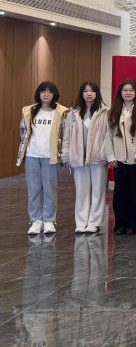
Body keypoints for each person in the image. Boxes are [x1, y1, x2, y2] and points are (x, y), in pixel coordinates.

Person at [18, 81, 68, 235]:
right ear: (38, 94)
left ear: (54, 94)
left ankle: (49, 220)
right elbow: (23, 132)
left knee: (50, 189)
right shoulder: (29, 111)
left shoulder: (62, 112)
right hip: (32, 155)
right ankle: (35, 220)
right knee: (33, 190)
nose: (46, 94)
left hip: (50, 157)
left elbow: (65, 134)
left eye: (49, 92)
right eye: (43, 91)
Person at [61, 81, 110, 235]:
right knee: (81, 192)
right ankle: (81, 222)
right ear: (81, 94)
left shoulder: (105, 112)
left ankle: (94, 222)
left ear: (97, 93)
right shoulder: (73, 113)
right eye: (85, 91)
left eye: (92, 91)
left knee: (98, 191)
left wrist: (106, 155)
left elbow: (109, 136)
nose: (89, 94)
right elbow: (66, 136)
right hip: (78, 158)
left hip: (98, 158)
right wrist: (66, 156)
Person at [105, 79, 136, 236]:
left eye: (131, 90)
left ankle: (133, 224)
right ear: (120, 93)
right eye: (125, 90)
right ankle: (120, 224)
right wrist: (110, 156)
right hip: (119, 159)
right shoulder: (113, 111)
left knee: (135, 193)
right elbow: (108, 135)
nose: (128, 93)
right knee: (119, 193)